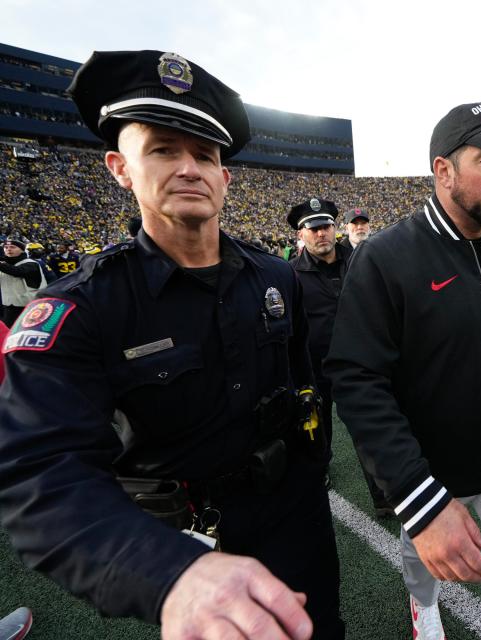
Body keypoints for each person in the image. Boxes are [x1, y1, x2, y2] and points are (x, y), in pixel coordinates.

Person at [0, 50, 344, 639]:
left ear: (225, 176)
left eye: (205, 154)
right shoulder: (80, 308)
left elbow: (305, 385)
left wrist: (311, 475)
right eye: (162, 149)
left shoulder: (276, 278)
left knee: (320, 630)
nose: (189, 168)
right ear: (120, 167)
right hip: (182, 534)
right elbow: (41, 476)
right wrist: (169, 573)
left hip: (295, 514)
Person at [326, 102, 481, 640]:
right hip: (428, 467)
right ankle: (422, 606)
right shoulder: (387, 256)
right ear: (444, 171)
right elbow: (356, 378)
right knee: (420, 562)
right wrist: (418, 490)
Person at [286, 197, 391, 515]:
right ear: (301, 235)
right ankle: (321, 469)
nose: (321, 234)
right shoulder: (290, 275)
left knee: (368, 432)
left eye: (326, 226)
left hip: (359, 366)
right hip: (316, 371)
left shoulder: (363, 260)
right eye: (313, 228)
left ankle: (383, 497)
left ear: (336, 228)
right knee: (318, 432)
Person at [0, 237, 47, 326]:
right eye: (6, 247)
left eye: (13, 247)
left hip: (29, 306)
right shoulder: (4, 265)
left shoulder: (31, 263)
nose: (8, 249)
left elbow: (17, 271)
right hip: (8, 306)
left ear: (22, 250)